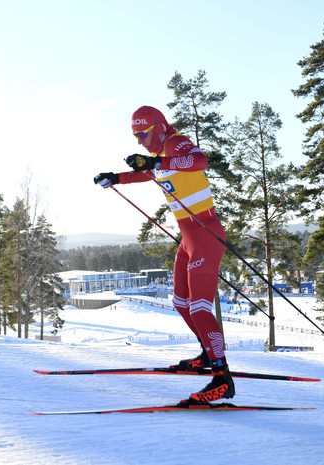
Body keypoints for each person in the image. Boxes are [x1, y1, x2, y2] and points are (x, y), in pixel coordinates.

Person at [93, 105, 233, 404]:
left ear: (158, 126)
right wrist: (116, 178)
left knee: (199, 308)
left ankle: (222, 377)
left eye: (143, 133)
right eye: (135, 136)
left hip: (206, 233)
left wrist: (156, 160)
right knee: (180, 302)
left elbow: (199, 161)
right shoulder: (160, 156)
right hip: (188, 237)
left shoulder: (175, 142)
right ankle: (208, 355)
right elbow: (149, 173)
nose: (140, 140)